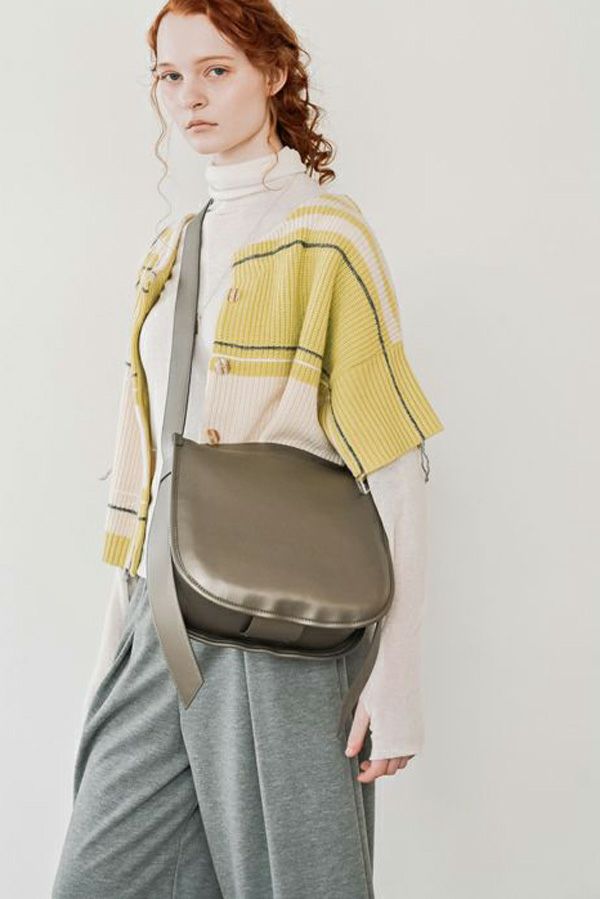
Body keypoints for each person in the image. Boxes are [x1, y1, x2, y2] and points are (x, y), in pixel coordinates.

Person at [52, 2, 444, 897]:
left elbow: (395, 463)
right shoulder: (172, 247)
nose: (188, 96)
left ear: (272, 74)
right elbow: (150, 459)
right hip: (162, 618)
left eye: (216, 70)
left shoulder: (329, 237)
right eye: (170, 75)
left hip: (283, 630)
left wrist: (400, 672)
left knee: (298, 879)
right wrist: (116, 641)